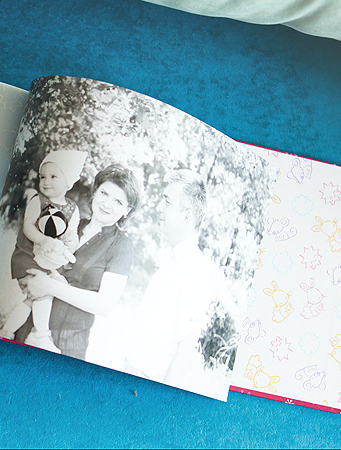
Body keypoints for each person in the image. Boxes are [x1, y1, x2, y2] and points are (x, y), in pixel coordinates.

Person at [18, 164, 141, 359]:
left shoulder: (121, 245)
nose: (107, 204)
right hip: (28, 329)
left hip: (65, 346)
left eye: (118, 201)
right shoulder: (71, 224)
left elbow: (103, 305)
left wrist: (49, 286)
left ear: (127, 210)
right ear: (95, 191)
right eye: (104, 193)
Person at [123, 169, 224, 390]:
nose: (159, 207)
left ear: (187, 215)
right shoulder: (175, 261)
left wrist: (163, 399)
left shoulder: (195, 269)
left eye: (167, 202)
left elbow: (185, 348)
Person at [0, 150, 87, 352]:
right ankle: (41, 335)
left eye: (53, 176)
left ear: (69, 182)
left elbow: (72, 235)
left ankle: (7, 331)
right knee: (42, 294)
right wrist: (43, 239)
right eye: (43, 176)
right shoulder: (38, 200)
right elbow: (28, 227)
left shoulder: (73, 209)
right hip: (28, 257)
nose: (46, 182)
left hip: (49, 261)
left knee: (33, 297)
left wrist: (70, 245)